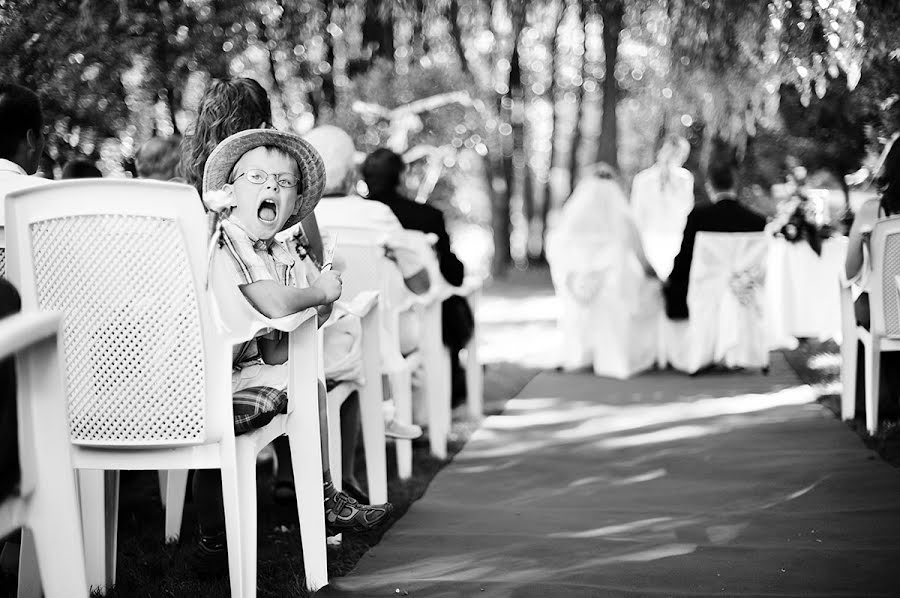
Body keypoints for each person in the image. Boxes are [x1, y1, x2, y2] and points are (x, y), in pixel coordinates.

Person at [192, 129, 393, 574]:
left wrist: (320, 302)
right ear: (230, 191)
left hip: (233, 366)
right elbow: (275, 303)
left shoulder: (275, 248)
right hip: (201, 379)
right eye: (257, 178)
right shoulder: (231, 237)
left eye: (284, 183)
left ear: (296, 198)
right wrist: (315, 292)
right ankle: (222, 536)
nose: (271, 189)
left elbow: (278, 347)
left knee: (307, 384)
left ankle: (318, 500)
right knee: (275, 402)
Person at [181, 77, 332, 505]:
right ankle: (300, 481)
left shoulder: (182, 201)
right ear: (264, 126)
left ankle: (211, 526)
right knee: (299, 352)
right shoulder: (276, 205)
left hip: (184, 360)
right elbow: (310, 268)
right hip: (252, 345)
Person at [303, 125, 426, 444]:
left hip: (309, 341)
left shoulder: (294, 219)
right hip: (374, 339)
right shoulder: (377, 215)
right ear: (352, 171)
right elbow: (421, 284)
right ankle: (384, 412)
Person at [361, 148, 472, 404]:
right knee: (453, 306)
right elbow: (455, 276)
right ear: (400, 177)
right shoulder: (427, 217)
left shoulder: (351, 218)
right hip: (413, 322)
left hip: (358, 324)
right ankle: (452, 386)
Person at [547, 163, 661, 378]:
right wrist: (656, 275)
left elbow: (557, 252)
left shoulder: (573, 220)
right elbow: (641, 256)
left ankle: (581, 355)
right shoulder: (624, 217)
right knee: (649, 292)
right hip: (614, 287)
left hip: (579, 287)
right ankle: (620, 355)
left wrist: (576, 276)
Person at [663, 161, 767, 321]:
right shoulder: (757, 221)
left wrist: (671, 280)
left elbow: (685, 256)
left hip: (706, 294)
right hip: (745, 296)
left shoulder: (698, 216)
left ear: (709, 185)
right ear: (735, 184)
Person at [844, 133, 900, 414]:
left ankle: (878, 404)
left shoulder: (871, 210)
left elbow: (851, 272)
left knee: (863, 307)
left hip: (883, 311)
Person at [631, 134, 695, 280]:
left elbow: (687, 209)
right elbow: (637, 212)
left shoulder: (685, 179)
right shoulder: (643, 179)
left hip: (675, 238)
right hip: (649, 239)